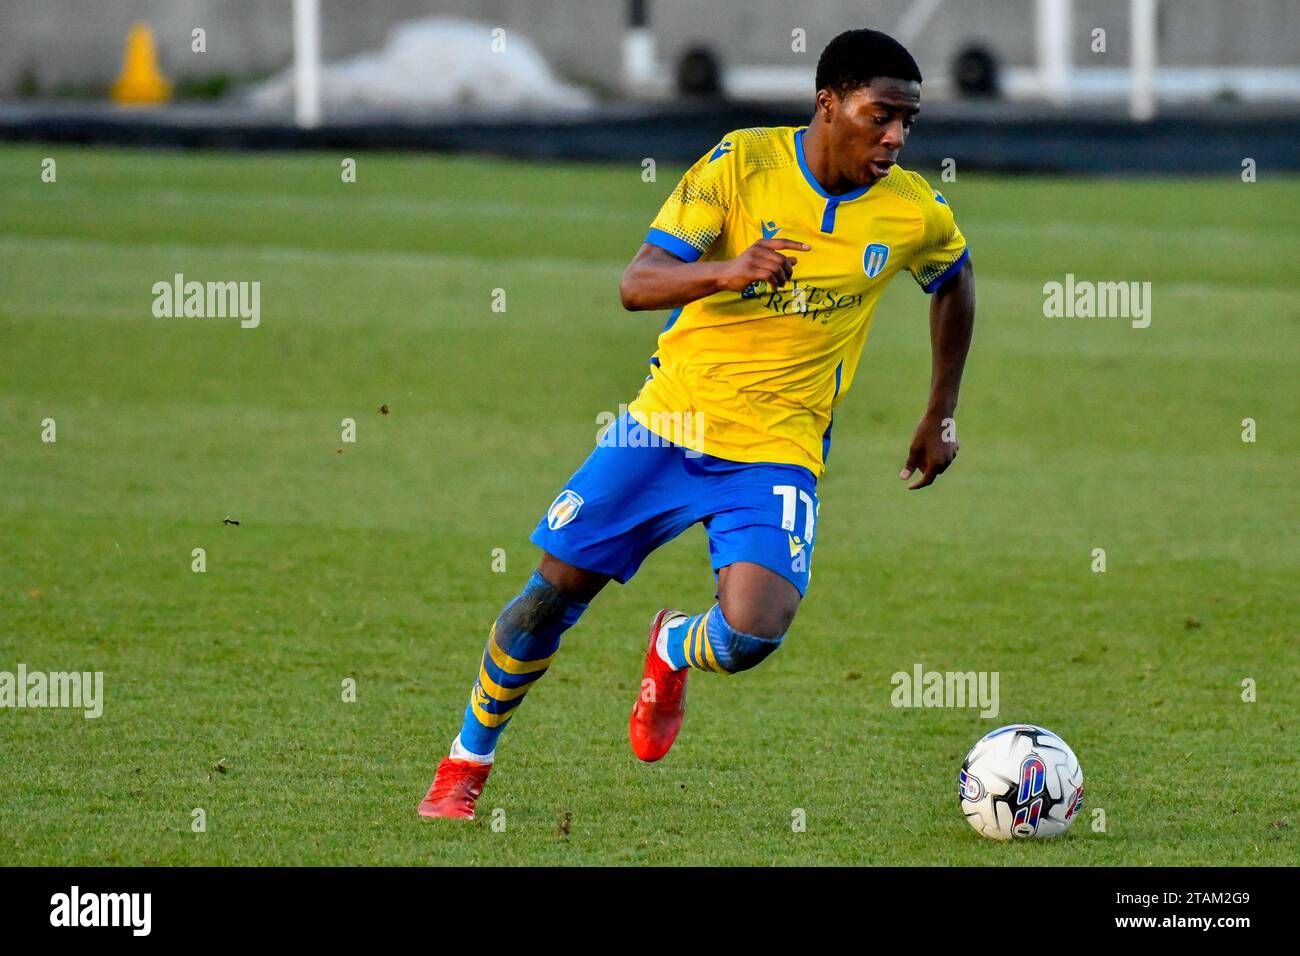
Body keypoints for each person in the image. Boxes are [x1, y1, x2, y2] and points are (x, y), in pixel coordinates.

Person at [419, 28, 976, 819]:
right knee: (549, 598)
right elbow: (637, 283)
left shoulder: (911, 210)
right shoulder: (741, 164)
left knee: (752, 633)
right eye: (880, 114)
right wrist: (730, 269)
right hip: (666, 426)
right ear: (829, 104)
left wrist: (940, 411)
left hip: (777, 449)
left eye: (908, 122)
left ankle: (672, 646)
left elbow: (955, 280)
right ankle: (465, 763)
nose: (895, 137)